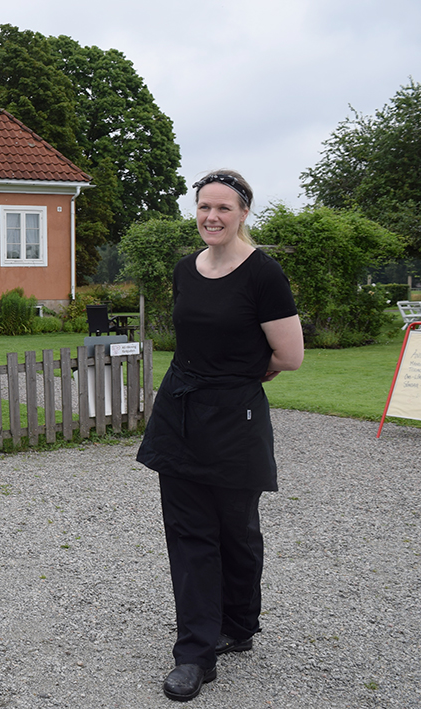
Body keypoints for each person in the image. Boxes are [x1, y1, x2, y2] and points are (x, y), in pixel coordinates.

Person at [136, 170, 304, 701]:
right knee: (190, 536)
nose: (212, 217)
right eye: (204, 207)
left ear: (243, 213)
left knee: (237, 532)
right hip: (180, 413)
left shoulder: (263, 274)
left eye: (223, 208)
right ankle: (195, 654)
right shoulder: (185, 269)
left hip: (235, 418)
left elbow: (289, 355)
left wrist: (239, 375)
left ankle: (239, 623)